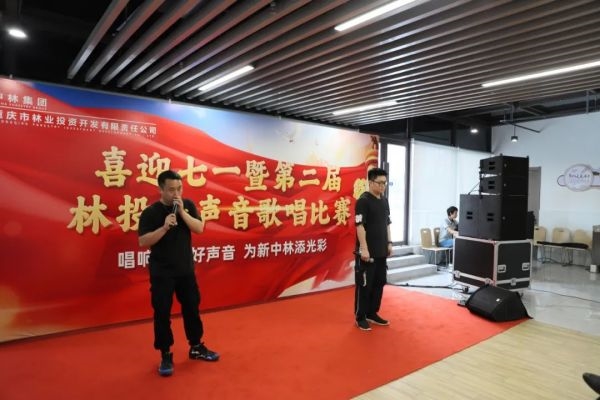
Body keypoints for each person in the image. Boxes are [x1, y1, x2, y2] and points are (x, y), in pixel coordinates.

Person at [138, 170, 219, 377]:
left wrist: (182, 213)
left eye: (179, 189)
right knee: (162, 313)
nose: (176, 194)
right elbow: (143, 241)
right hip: (162, 273)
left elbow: (199, 228)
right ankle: (165, 354)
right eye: (171, 190)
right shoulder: (151, 213)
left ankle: (196, 346)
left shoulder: (187, 205)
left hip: (185, 271)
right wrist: (164, 227)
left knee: (192, 309)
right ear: (161, 189)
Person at [354, 167, 392, 331]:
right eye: (380, 183)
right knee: (365, 285)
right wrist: (364, 248)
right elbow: (359, 226)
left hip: (381, 250)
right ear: (370, 182)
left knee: (379, 282)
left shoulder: (384, 200)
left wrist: (389, 242)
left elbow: (387, 223)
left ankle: (372, 313)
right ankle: (361, 316)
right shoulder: (363, 201)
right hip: (367, 253)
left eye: (385, 183)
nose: (383, 186)